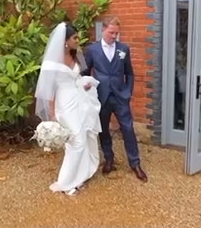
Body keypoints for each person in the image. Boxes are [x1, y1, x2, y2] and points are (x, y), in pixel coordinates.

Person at [34, 22, 102, 196]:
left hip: (80, 99)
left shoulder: (76, 55)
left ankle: (81, 175)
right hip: (64, 104)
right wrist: (52, 113)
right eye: (75, 38)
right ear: (65, 41)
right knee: (76, 141)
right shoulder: (52, 61)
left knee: (85, 137)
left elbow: (78, 75)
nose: (78, 40)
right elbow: (48, 89)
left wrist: (84, 84)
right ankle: (65, 182)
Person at [83, 16, 148, 182]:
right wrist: (87, 88)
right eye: (111, 32)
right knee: (103, 129)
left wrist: (128, 92)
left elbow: (130, 74)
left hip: (120, 97)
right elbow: (85, 73)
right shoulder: (92, 50)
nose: (114, 36)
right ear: (103, 30)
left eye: (116, 33)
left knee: (128, 129)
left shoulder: (123, 49)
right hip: (101, 97)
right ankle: (109, 159)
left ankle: (135, 163)